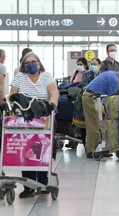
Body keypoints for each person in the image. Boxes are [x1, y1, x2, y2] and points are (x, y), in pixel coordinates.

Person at [10, 52, 59, 198]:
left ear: (38, 63)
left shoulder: (46, 76)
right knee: (26, 149)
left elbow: (54, 92)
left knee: (41, 148)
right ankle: (29, 186)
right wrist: (13, 105)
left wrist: (52, 106)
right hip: (25, 115)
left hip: (43, 114)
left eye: (34, 61)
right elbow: (13, 94)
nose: (31, 64)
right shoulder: (20, 76)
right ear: (24, 65)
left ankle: (43, 182)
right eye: (27, 62)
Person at [82, 71, 119, 158]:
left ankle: (102, 149)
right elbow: (110, 95)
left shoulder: (111, 74)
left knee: (99, 124)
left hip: (93, 97)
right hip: (91, 97)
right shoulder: (114, 79)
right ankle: (91, 151)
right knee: (93, 125)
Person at [70, 58, 102, 148]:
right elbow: (86, 85)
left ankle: (98, 146)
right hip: (84, 101)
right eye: (91, 64)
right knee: (84, 125)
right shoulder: (87, 75)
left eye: (95, 64)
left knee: (98, 124)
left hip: (99, 101)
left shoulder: (102, 75)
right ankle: (86, 146)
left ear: (100, 65)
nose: (93, 66)